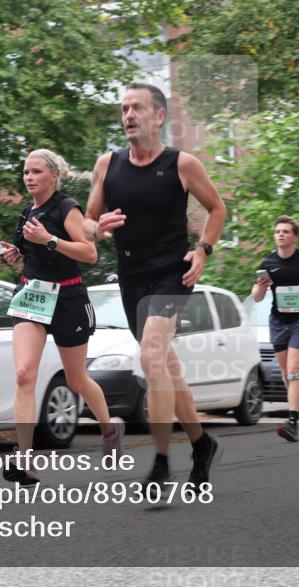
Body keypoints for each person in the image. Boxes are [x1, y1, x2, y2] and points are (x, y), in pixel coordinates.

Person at [84, 82, 227, 493]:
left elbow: (217, 208)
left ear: (159, 116)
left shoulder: (182, 164)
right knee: (167, 366)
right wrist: (98, 227)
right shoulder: (107, 165)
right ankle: (203, 444)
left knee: (150, 356)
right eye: (124, 109)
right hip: (132, 277)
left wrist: (203, 250)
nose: (128, 116)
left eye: (137, 109)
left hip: (172, 273)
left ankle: (162, 461)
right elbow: (87, 221)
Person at [0, 149, 124, 485]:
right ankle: (23, 456)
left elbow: (90, 253)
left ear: (54, 176)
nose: (29, 178)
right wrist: (14, 254)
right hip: (33, 296)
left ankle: (109, 430)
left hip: (67, 298)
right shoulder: (27, 212)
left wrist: (49, 240)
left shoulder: (67, 208)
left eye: (36, 172)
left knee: (76, 380)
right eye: (25, 172)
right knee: (25, 374)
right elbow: (26, 254)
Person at [250, 216, 299, 442]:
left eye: (285, 231)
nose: (280, 235)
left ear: (295, 237)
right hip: (278, 321)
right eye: (277, 232)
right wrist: (259, 287)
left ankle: (292, 421)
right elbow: (256, 298)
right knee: (286, 374)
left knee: (295, 371)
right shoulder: (267, 264)